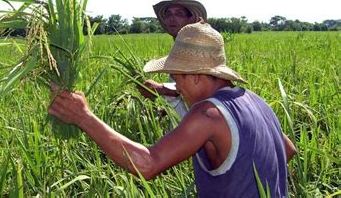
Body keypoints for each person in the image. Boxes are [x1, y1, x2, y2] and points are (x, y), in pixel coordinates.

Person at [49, 21, 297, 197]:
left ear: (196, 77)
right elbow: (287, 150)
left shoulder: (207, 114)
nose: (177, 87)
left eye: (177, 79)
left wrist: (84, 117)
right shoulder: (254, 100)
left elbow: (147, 165)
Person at [138, 0, 207, 119]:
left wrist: (161, 89)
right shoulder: (178, 48)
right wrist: (164, 112)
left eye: (179, 13)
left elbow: (202, 87)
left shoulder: (198, 47)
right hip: (183, 127)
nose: (172, 18)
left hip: (198, 129)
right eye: (168, 14)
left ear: (190, 19)